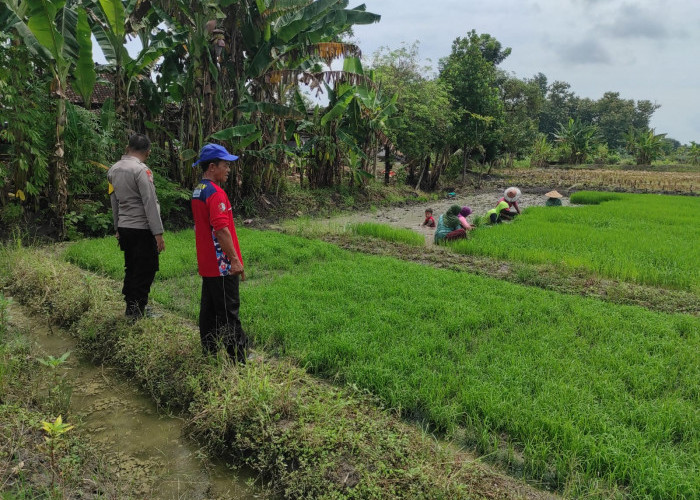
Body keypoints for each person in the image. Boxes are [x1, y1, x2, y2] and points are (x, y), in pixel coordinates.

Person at [191, 143, 249, 363]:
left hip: (208, 264)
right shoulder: (216, 193)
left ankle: (209, 352)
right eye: (225, 165)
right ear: (212, 166)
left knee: (209, 310)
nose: (228, 169)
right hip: (221, 265)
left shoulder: (199, 190)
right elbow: (221, 229)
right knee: (228, 312)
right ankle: (238, 360)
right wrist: (234, 260)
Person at [107, 133, 165, 320]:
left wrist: (117, 227)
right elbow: (149, 202)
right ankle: (138, 310)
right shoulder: (141, 171)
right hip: (142, 228)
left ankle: (131, 307)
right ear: (147, 152)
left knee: (131, 266)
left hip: (125, 226)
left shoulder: (113, 170)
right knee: (146, 268)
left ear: (127, 147)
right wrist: (158, 233)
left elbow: (114, 201)